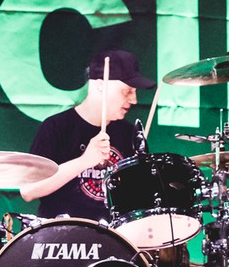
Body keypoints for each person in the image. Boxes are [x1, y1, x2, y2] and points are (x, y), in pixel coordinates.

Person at [18, 48, 156, 222]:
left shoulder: (129, 134)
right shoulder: (56, 127)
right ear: (100, 86)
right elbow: (28, 191)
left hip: (112, 236)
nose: (134, 100)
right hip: (61, 234)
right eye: (127, 91)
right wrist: (84, 161)